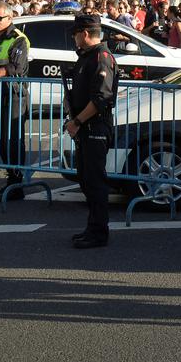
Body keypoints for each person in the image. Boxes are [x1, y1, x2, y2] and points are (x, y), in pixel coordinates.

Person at [63, 14, 118, 249]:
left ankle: (99, 232)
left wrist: (76, 121)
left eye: (76, 34)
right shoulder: (87, 57)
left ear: (85, 33)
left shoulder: (101, 58)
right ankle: (92, 227)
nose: (74, 38)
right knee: (86, 179)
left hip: (94, 125)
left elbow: (101, 98)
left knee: (95, 181)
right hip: (86, 126)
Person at [0, 1, 31, 202]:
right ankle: (11, 179)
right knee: (3, 141)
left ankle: (17, 184)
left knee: (13, 140)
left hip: (15, 95)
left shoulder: (18, 39)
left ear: (10, 18)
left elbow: (16, 67)